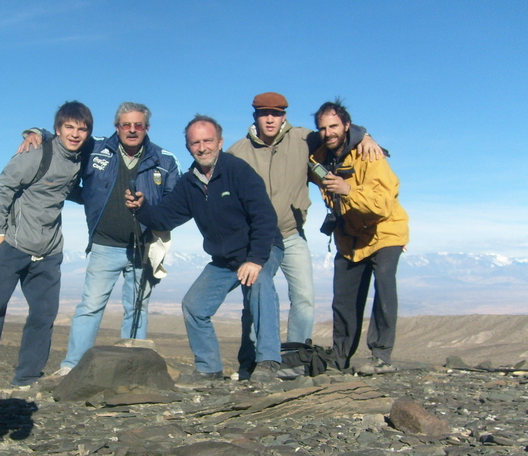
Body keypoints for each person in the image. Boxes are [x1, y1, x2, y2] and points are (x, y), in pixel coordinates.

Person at [19, 102, 181, 376]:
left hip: (144, 247)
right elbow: (65, 138)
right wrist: (35, 132)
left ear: (147, 128)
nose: (132, 130)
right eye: (125, 125)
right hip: (105, 245)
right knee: (90, 307)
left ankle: (133, 368)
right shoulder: (95, 148)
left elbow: (175, 206)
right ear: (116, 127)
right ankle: (72, 367)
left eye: (138, 125)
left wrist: (148, 210)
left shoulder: (165, 161)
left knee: (138, 308)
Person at [126, 115, 282, 380]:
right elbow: (165, 218)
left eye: (207, 141)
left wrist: (256, 259)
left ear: (220, 142)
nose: (202, 147)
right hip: (224, 259)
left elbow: (264, 218)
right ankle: (209, 369)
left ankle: (268, 362)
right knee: (194, 305)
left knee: (260, 283)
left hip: (259, 249)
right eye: (195, 143)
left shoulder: (239, 172)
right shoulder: (189, 183)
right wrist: (142, 208)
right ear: (188, 147)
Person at [227, 92, 383, 350]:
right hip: (256, 240)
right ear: (255, 116)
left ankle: (295, 356)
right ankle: (254, 357)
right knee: (254, 298)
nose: (270, 119)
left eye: (275, 114)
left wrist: (365, 136)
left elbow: (336, 133)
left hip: (291, 234)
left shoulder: (303, 139)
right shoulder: (237, 153)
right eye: (264, 113)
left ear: (283, 117)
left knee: (304, 298)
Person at [0, 101, 93, 388]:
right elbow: (2, 187)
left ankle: (27, 379)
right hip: (13, 245)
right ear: (58, 129)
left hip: (49, 251)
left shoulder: (81, 158)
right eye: (69, 127)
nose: (76, 134)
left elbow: (68, 190)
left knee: (43, 316)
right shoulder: (36, 152)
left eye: (82, 129)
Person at [310, 100, 409, 375]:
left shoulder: (370, 155)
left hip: (384, 231)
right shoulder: (318, 156)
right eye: (322, 128)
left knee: (384, 285)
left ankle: (380, 356)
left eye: (333, 126)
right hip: (349, 237)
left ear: (346, 126)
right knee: (343, 298)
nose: (328, 132)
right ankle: (340, 358)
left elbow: (383, 204)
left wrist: (347, 189)